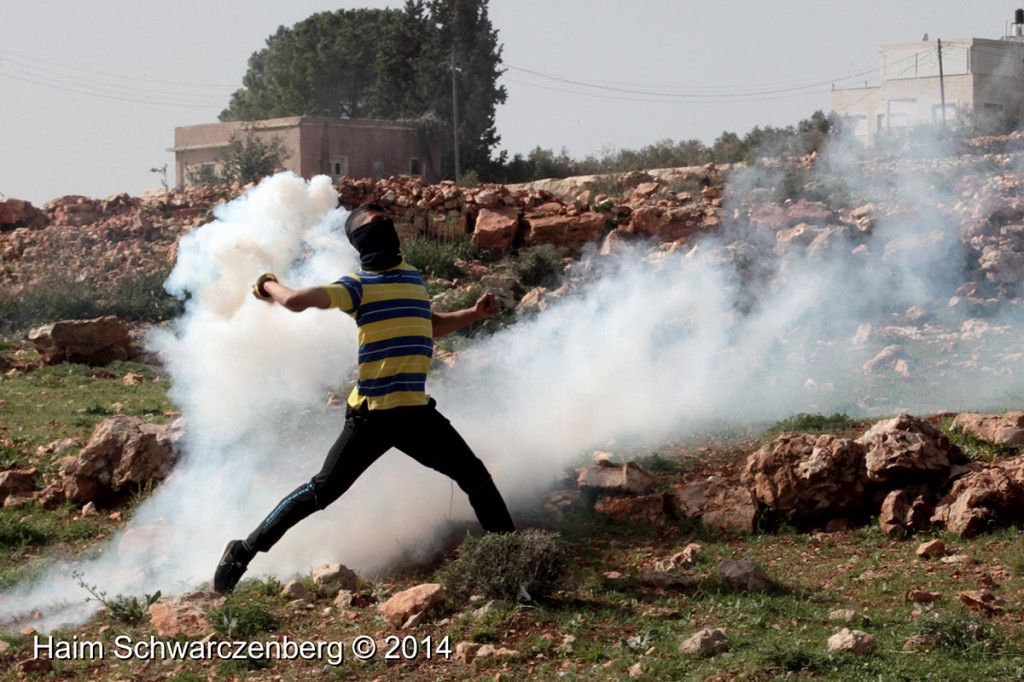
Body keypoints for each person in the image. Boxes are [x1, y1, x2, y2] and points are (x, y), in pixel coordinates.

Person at [213, 203, 516, 594]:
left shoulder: (412, 277)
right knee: (321, 492)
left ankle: (512, 562)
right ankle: (243, 550)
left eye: (388, 219)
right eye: (376, 223)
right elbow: (295, 301)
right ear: (359, 238)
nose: (386, 225)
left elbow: (429, 324)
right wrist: (267, 283)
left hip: (415, 414)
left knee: (476, 478)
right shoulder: (356, 286)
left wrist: (473, 313)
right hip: (371, 418)